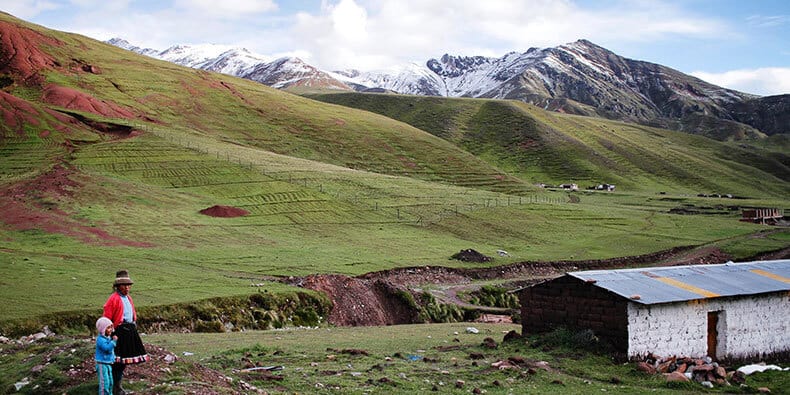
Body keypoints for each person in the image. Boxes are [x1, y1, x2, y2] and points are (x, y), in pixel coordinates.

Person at [103, 270, 149, 395]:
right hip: (119, 332)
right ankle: (114, 386)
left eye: (128, 285)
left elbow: (132, 314)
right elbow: (106, 319)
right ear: (118, 286)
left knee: (123, 361)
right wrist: (108, 334)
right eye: (124, 285)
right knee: (117, 362)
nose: (127, 288)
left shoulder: (128, 298)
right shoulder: (113, 299)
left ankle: (117, 385)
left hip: (129, 331)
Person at [95, 317, 117, 395]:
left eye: (111, 327)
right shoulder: (100, 339)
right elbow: (107, 349)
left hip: (108, 363)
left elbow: (111, 352)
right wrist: (113, 342)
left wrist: (113, 358)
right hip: (102, 363)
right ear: (102, 329)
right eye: (108, 328)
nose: (110, 329)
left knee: (110, 381)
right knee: (104, 383)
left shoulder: (107, 338)